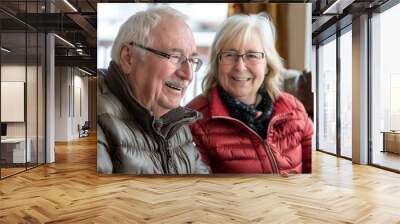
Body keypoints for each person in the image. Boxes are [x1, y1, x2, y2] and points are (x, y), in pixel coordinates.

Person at [187, 14, 313, 174]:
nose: (240, 67)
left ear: (267, 64)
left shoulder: (295, 109)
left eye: (252, 55)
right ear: (216, 63)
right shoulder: (193, 121)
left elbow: (315, 179)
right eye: (229, 55)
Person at [97, 6, 209, 174]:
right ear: (129, 58)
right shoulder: (95, 116)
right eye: (175, 57)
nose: (188, 75)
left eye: (192, 60)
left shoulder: (178, 125)